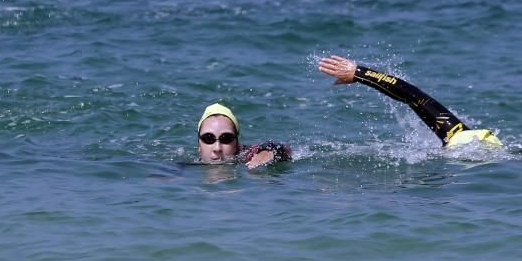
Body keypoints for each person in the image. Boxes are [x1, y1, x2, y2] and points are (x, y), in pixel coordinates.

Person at [318, 55, 502, 147]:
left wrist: (360, 74)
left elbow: (414, 96)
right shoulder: (465, 141)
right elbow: (414, 97)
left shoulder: (463, 141)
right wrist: (359, 73)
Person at [197, 103, 292, 168]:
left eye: (226, 138)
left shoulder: (246, 157)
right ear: (199, 147)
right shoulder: (187, 166)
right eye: (208, 139)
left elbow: (281, 148)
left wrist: (266, 153)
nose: (217, 148)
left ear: (237, 144)